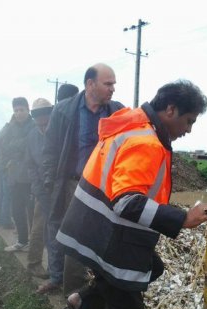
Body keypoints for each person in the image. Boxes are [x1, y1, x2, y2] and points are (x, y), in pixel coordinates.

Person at [56, 80, 207, 309]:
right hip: (111, 233)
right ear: (170, 109)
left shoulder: (132, 126)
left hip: (93, 225)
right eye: (188, 121)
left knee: (152, 267)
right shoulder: (146, 142)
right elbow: (126, 201)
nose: (189, 130)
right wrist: (182, 218)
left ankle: (83, 299)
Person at [39, 63, 124, 295]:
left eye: (114, 84)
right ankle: (68, 290)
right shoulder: (64, 111)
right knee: (67, 235)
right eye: (108, 84)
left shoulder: (117, 112)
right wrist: (49, 180)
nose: (113, 88)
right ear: (90, 84)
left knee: (102, 237)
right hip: (72, 184)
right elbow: (50, 150)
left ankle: (94, 292)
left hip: (104, 188)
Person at [1, 97, 35, 251]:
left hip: (31, 177)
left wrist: (16, 146)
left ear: (28, 110)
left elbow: (32, 147)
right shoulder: (9, 127)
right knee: (16, 210)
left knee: (33, 213)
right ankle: (22, 241)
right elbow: (3, 147)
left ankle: (35, 244)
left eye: (22, 110)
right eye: (16, 110)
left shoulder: (35, 126)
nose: (19, 113)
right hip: (14, 176)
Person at [25, 98, 54, 279]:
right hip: (41, 188)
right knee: (38, 227)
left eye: (44, 113)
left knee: (57, 229)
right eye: (37, 114)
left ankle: (55, 265)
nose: (41, 118)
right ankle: (34, 263)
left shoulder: (57, 131)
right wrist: (37, 188)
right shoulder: (31, 136)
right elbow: (30, 166)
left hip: (59, 186)